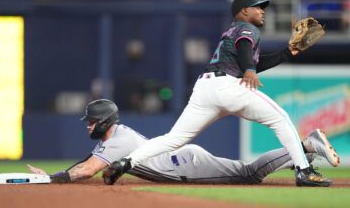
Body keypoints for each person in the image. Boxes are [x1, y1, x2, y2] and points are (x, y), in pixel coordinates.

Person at [103, 0, 338, 187]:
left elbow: (256, 61)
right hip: (228, 86)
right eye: (257, 7)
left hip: (205, 89)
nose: (263, 11)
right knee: (281, 118)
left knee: (173, 139)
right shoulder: (247, 29)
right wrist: (248, 70)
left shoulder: (234, 30)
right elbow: (246, 50)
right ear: (244, 12)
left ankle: (125, 163)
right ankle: (304, 171)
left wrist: (288, 51)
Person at [28, 99, 339, 185]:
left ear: (106, 122)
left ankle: (307, 145)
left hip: (184, 166)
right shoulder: (115, 138)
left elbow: (87, 170)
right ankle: (304, 147)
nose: (89, 126)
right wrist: (58, 174)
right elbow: (86, 160)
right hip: (182, 159)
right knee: (247, 171)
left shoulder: (116, 142)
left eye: (92, 122)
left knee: (249, 174)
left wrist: (51, 180)